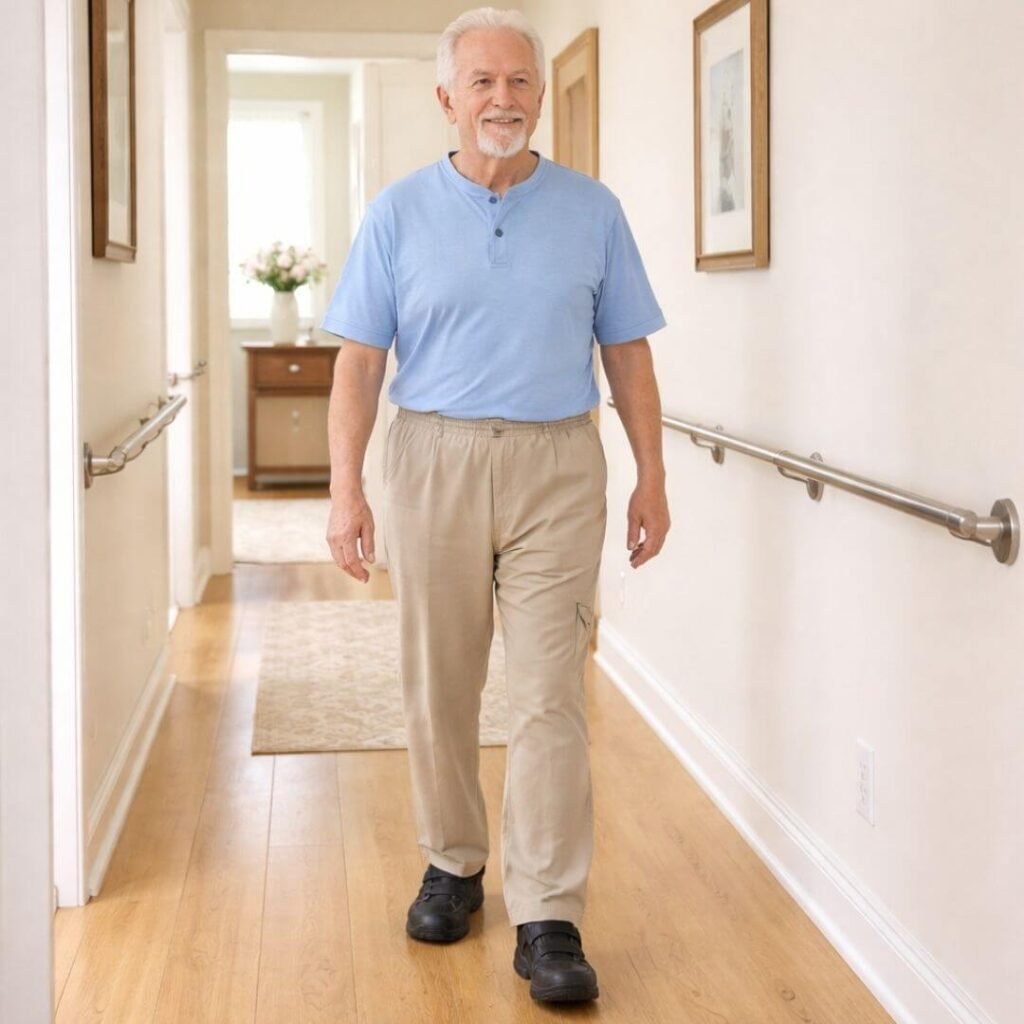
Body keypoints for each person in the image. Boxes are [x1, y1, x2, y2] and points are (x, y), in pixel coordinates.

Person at [321, 6, 670, 1005]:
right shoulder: (396, 212)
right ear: (446, 97)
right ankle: (455, 860)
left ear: (538, 95)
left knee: (550, 690)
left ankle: (551, 909)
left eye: (519, 82)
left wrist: (652, 472)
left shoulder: (592, 208)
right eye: (482, 83)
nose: (502, 100)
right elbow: (358, 361)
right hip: (430, 455)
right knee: (439, 681)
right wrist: (347, 488)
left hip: (560, 464)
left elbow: (629, 354)